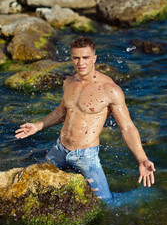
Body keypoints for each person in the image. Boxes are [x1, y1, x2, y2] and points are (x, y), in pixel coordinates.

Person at [15, 36, 156, 201]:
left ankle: (147, 198)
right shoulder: (68, 82)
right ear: (71, 58)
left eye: (85, 58)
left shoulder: (110, 90)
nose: (80, 63)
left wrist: (142, 158)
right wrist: (38, 126)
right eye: (76, 58)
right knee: (36, 183)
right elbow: (62, 111)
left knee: (106, 202)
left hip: (85, 156)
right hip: (59, 149)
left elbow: (127, 127)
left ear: (94, 58)